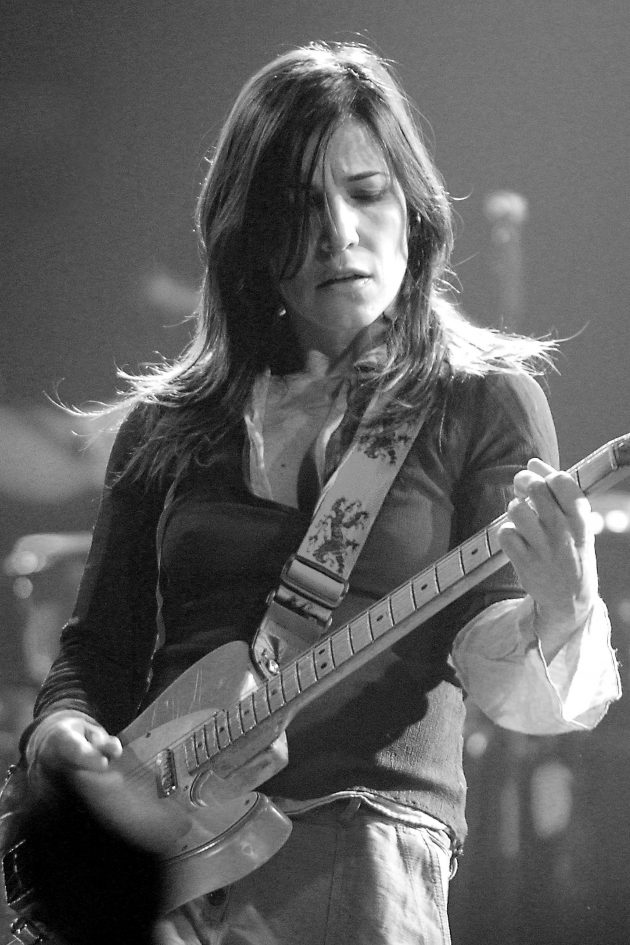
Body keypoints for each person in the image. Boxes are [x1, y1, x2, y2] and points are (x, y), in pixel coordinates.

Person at [16, 41, 620, 945]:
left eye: (367, 193)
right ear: (249, 237)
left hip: (357, 845)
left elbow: (510, 686)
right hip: (152, 870)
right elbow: (96, 648)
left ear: (413, 208)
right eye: (300, 207)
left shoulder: (478, 400)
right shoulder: (169, 424)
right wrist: (58, 734)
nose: (340, 231)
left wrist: (563, 604)